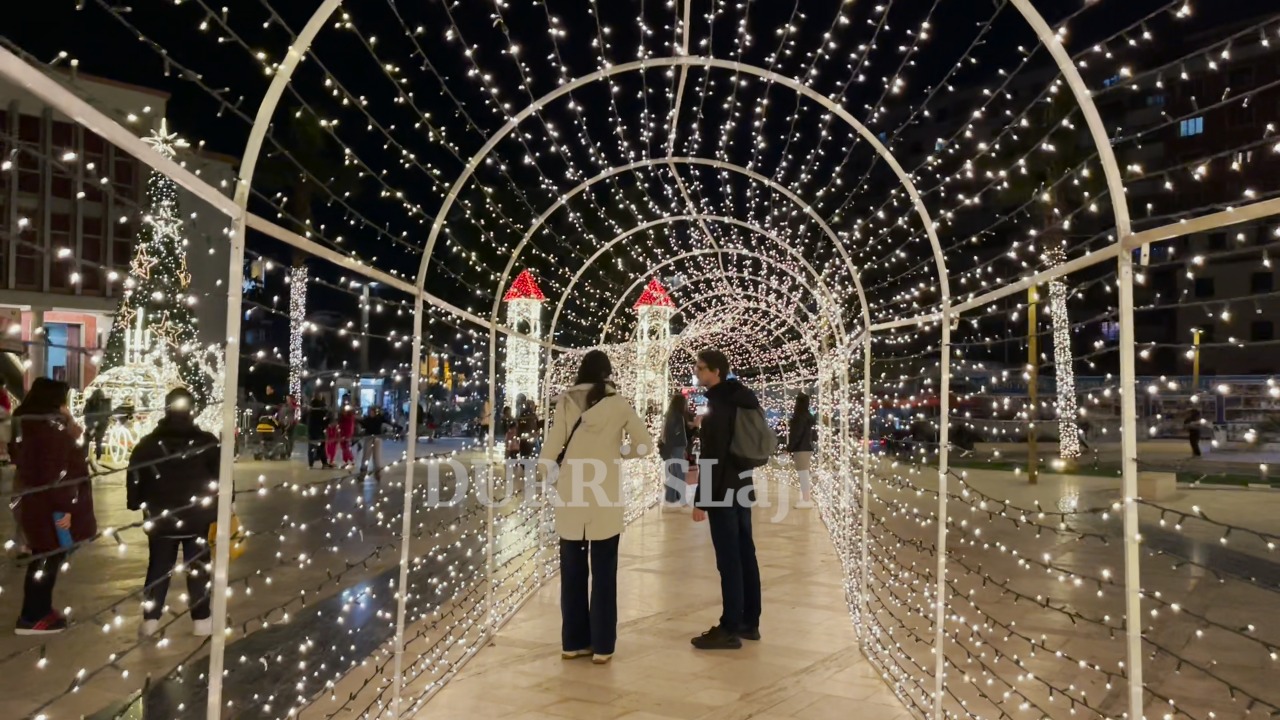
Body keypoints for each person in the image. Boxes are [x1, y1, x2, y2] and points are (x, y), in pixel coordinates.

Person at [540, 350, 652, 665]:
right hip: (605, 497)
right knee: (604, 575)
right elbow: (645, 445)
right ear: (607, 373)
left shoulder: (566, 402)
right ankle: (602, 646)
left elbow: (552, 445)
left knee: (572, 574)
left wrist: (546, 474)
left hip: (572, 495)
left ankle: (573, 643)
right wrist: (619, 452)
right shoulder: (619, 404)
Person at [127, 387, 220, 637]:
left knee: (158, 568)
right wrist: (225, 504)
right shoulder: (207, 442)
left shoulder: (148, 443)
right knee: (198, 567)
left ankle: (151, 620)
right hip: (198, 516)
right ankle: (201, 619)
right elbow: (221, 476)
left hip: (161, 516)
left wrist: (135, 501)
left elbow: (135, 475)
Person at [9, 378, 96, 635]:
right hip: (51, 507)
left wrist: (68, 425)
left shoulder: (28, 424)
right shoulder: (49, 431)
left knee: (44, 556)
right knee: (47, 558)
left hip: (36, 504)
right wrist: (66, 507)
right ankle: (33, 617)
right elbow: (57, 474)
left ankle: (40, 611)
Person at [690, 349, 762, 650]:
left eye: (701, 368)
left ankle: (729, 626)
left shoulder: (719, 404)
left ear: (716, 371)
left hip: (722, 490)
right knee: (745, 553)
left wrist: (701, 500)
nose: (697, 372)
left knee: (729, 559)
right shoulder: (742, 397)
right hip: (742, 485)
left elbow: (712, 457)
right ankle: (749, 621)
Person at [659, 392, 690, 509]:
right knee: (679, 472)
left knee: (673, 472)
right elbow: (676, 434)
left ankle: (671, 497)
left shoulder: (671, 415)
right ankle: (682, 499)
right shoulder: (677, 416)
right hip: (676, 447)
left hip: (674, 447)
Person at [787, 393, 816, 506]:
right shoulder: (808, 417)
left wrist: (789, 448)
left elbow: (796, 435)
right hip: (807, 448)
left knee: (803, 474)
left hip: (801, 449)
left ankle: (806, 500)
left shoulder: (799, 417)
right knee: (804, 474)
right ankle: (806, 498)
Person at [359, 406, 389, 481]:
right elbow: (363, 424)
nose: (371, 413)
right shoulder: (367, 419)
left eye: (372, 412)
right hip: (369, 438)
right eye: (370, 411)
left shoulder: (379, 419)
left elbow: (385, 420)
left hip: (377, 438)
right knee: (366, 456)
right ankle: (363, 473)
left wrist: (382, 414)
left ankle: (377, 473)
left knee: (377, 456)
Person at [83, 388, 111, 462]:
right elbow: (109, 414)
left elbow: (85, 412)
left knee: (87, 440)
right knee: (98, 441)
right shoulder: (106, 403)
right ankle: (98, 458)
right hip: (101, 424)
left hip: (91, 424)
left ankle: (85, 456)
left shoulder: (90, 402)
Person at [306, 395, 332, 469]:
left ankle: (311, 464)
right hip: (319, 431)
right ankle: (324, 463)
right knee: (321, 447)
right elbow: (324, 422)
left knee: (312, 447)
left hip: (311, 431)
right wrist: (328, 419)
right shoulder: (320, 412)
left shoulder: (310, 411)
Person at [336, 395, 356, 468]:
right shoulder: (342, 408)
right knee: (343, 446)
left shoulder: (350, 409)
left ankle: (351, 460)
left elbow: (351, 419)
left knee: (346, 447)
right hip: (342, 430)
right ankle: (346, 461)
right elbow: (340, 418)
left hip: (348, 430)